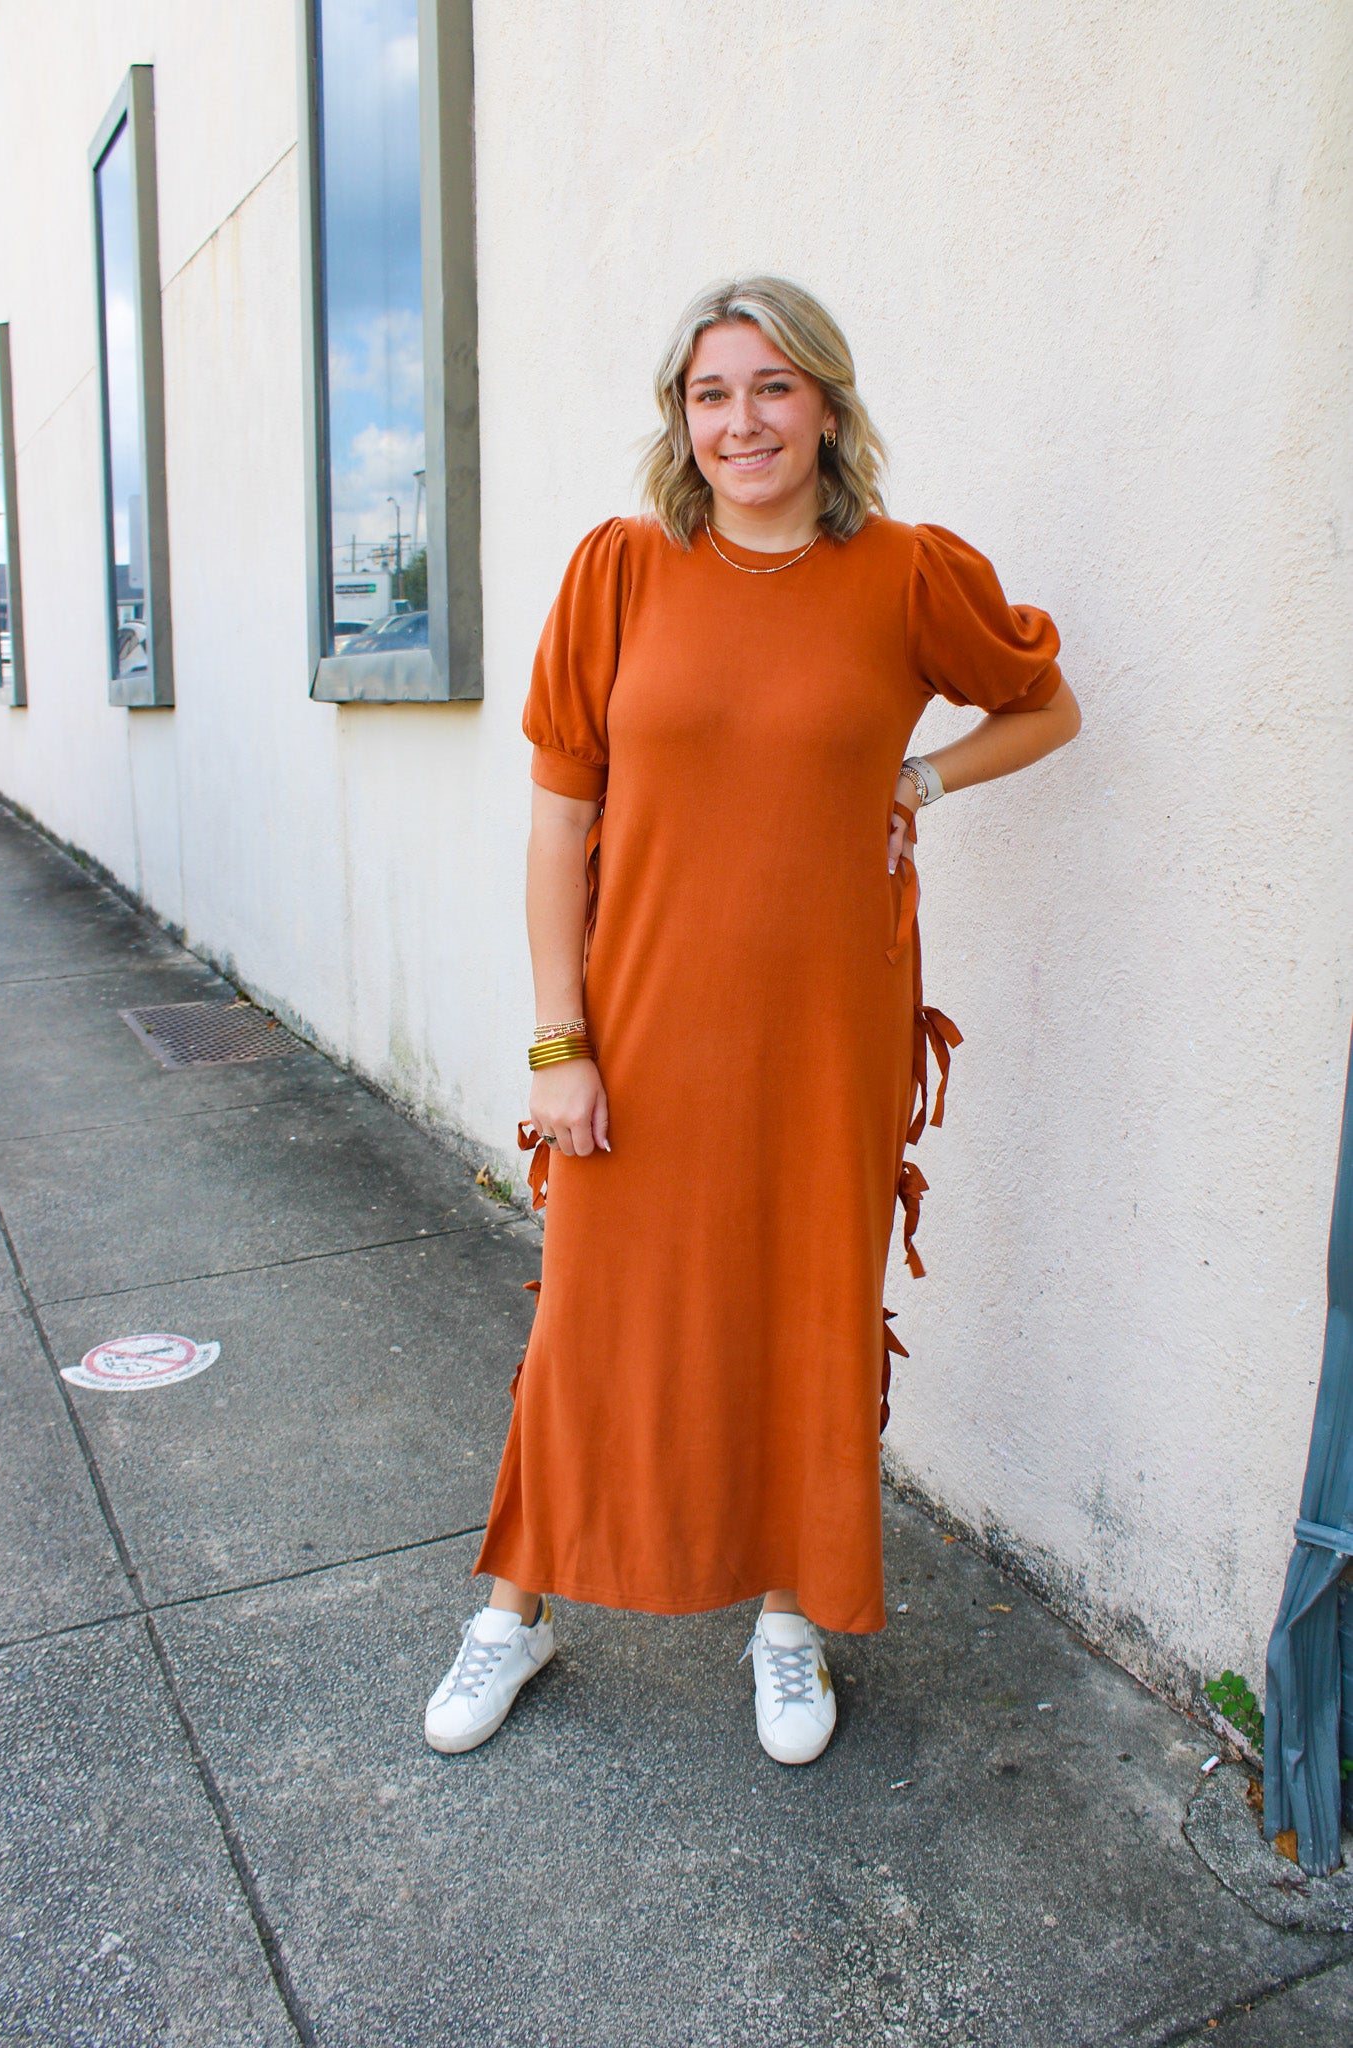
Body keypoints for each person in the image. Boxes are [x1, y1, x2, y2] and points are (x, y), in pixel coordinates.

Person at [424, 276, 1081, 1765]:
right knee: (597, 1321)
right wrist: (557, 1040)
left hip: (827, 1033)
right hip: (641, 1028)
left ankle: (789, 1625)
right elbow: (555, 830)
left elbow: (1045, 708)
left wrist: (918, 782)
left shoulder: (908, 574)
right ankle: (512, 1615)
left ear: (829, 405)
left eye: (773, 388)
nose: (742, 422)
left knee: (806, 1313)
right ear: (680, 416)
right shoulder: (619, 573)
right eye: (711, 394)